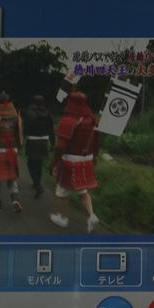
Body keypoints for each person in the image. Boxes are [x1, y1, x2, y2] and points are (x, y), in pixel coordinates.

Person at [49, 89, 101, 232]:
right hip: (86, 160)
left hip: (69, 162)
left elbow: (60, 147)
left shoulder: (67, 121)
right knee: (82, 191)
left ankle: (63, 218)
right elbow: (96, 143)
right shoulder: (92, 120)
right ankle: (92, 216)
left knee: (61, 192)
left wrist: (54, 163)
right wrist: (95, 157)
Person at [23, 94, 53, 200]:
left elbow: (25, 127)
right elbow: (51, 129)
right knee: (39, 163)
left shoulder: (29, 113)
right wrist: (53, 142)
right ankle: (37, 183)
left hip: (32, 141)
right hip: (44, 141)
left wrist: (22, 138)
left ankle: (38, 185)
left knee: (31, 164)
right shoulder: (47, 113)